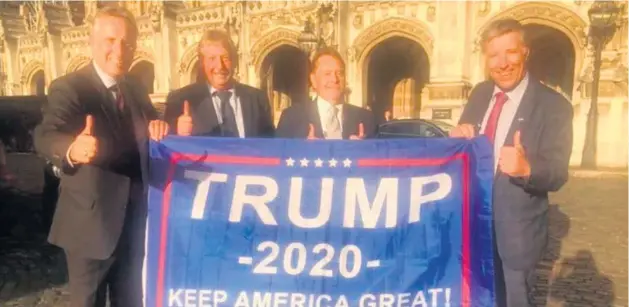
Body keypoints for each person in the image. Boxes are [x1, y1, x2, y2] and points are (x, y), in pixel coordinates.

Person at [33, 6, 169, 307]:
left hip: (135, 224)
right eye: (111, 40)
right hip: (91, 227)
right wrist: (72, 148)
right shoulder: (70, 88)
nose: (120, 50)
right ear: (92, 42)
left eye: (127, 43)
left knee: (131, 300)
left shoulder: (134, 87)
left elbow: (149, 127)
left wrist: (160, 126)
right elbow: (45, 134)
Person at [450, 18, 573, 306]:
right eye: (494, 55)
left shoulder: (554, 105)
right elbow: (462, 146)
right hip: (472, 226)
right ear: (485, 58)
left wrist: (527, 169)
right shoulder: (480, 93)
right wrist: (456, 137)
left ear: (525, 52)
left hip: (517, 235)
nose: (502, 63)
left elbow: (557, 171)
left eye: (511, 53)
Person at [163, 29, 274, 138]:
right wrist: (177, 133)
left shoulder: (258, 99)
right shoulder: (180, 100)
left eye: (225, 58)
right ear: (202, 63)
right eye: (212, 58)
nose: (220, 66)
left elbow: (270, 147)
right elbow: (166, 148)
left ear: (234, 61)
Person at [276, 47, 376, 139]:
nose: (334, 79)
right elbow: (277, 155)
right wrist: (304, 151)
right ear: (313, 80)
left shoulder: (366, 119)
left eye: (339, 73)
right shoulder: (292, 118)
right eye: (327, 74)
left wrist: (364, 149)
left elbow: (380, 155)